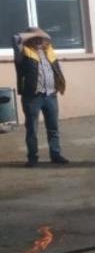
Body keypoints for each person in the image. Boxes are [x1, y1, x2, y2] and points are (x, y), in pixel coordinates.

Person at [14, 27, 68, 167]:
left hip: (50, 95)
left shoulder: (49, 51)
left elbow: (48, 37)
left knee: (53, 128)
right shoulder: (23, 53)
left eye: (40, 38)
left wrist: (41, 34)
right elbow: (16, 38)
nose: (38, 40)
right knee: (32, 129)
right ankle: (32, 158)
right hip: (32, 97)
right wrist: (31, 34)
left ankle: (55, 155)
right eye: (35, 38)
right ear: (29, 39)